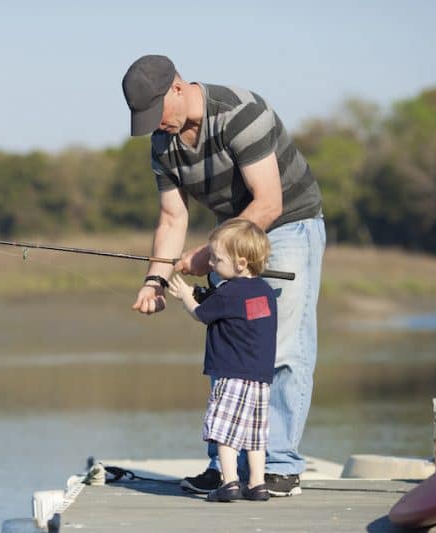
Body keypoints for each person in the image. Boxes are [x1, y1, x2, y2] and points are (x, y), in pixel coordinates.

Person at [122, 54, 325, 496]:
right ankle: (226, 467)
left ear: (177, 88)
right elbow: (172, 219)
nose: (156, 126)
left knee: (283, 345)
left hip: (288, 223)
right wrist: (153, 281)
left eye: (158, 114)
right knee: (227, 342)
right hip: (231, 242)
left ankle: (280, 465)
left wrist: (210, 253)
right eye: (147, 120)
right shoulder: (163, 144)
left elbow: (268, 203)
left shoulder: (239, 112)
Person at [167, 219, 277, 502]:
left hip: (231, 375)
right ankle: (256, 483)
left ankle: (229, 482)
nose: (212, 264)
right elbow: (236, 314)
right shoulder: (264, 291)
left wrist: (186, 297)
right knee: (255, 435)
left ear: (240, 263)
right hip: (260, 377)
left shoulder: (229, 292)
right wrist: (209, 297)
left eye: (217, 259)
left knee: (223, 432)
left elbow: (201, 315)